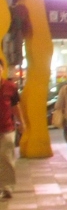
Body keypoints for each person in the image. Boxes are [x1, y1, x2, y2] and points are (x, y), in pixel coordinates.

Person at [0, 65, 23, 199]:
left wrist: (22, 122)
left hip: (7, 128)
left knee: (6, 156)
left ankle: (7, 187)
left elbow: (15, 106)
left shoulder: (10, 87)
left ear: (2, 70)